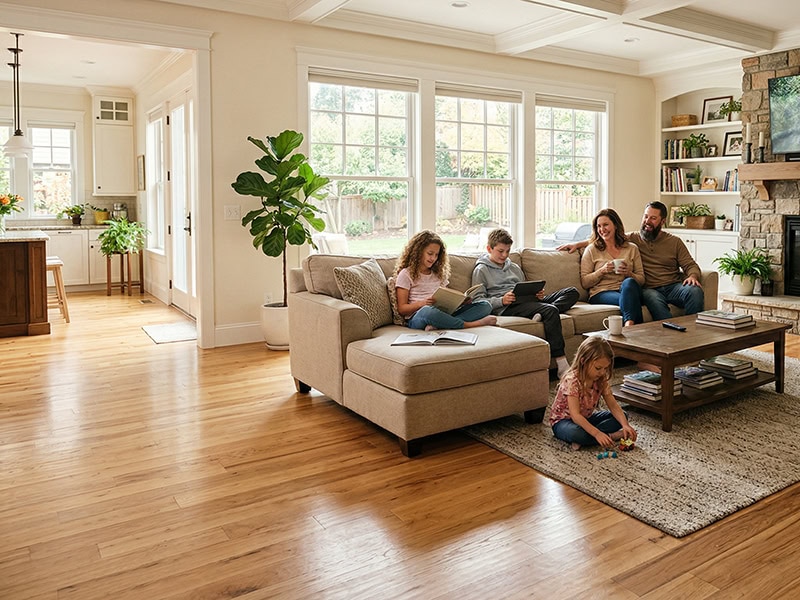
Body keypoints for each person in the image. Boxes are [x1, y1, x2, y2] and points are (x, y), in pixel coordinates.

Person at [560, 201, 704, 321]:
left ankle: (693, 334)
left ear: (663, 221)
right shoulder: (633, 238)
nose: (647, 221)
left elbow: (690, 265)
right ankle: (668, 334)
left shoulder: (673, 242)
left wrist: (692, 276)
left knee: (695, 291)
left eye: (653, 218)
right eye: (645, 216)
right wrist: (577, 244)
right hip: (649, 289)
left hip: (673, 286)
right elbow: (605, 237)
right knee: (654, 302)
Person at [471, 227, 578, 378]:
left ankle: (541, 311)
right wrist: (501, 300)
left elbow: (523, 288)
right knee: (550, 311)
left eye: (507, 251)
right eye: (500, 251)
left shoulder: (514, 267)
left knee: (572, 292)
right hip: (506, 306)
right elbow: (477, 301)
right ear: (489, 248)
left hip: (526, 302)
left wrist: (536, 295)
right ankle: (561, 364)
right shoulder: (481, 270)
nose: (505, 255)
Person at [394, 230, 497, 330]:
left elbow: (446, 299)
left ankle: (440, 324)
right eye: (430, 253)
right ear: (418, 252)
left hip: (443, 313)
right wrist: (422, 303)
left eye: (436, 255)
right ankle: (469, 325)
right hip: (418, 316)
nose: (433, 258)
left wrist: (461, 301)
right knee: (428, 311)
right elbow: (402, 309)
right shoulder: (406, 274)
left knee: (485, 305)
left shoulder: (438, 274)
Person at [549, 336, 637, 450]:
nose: (602, 372)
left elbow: (613, 406)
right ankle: (610, 436)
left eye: (605, 368)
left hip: (586, 419)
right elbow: (575, 416)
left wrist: (625, 425)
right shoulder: (572, 380)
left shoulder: (601, 379)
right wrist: (596, 433)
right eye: (598, 368)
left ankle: (587, 438)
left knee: (622, 416)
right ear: (583, 361)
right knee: (577, 434)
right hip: (563, 422)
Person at [580, 208, 645, 326]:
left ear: (615, 225)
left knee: (629, 282)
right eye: (598, 226)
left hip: (627, 289)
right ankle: (630, 327)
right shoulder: (591, 249)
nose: (602, 229)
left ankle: (629, 328)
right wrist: (602, 271)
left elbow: (641, 280)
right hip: (601, 293)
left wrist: (629, 273)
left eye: (605, 225)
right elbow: (585, 282)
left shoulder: (631, 248)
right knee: (631, 300)